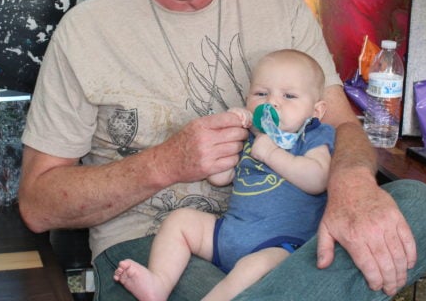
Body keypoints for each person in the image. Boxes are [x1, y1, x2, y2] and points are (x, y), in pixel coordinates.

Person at [19, 0, 426, 300]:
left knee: (422, 207)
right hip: (159, 245)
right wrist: (165, 164)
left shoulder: (279, 5)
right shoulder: (85, 32)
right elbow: (39, 204)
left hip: (289, 235)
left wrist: (351, 182)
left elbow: (343, 126)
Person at [113, 49, 336, 301]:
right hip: (230, 233)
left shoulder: (313, 134)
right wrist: (230, 131)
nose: (272, 103)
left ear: (316, 110)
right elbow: (220, 179)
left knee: (252, 268)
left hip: (281, 245)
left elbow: (318, 179)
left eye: (289, 96)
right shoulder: (252, 136)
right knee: (180, 221)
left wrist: (272, 154)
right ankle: (158, 283)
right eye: (261, 94)